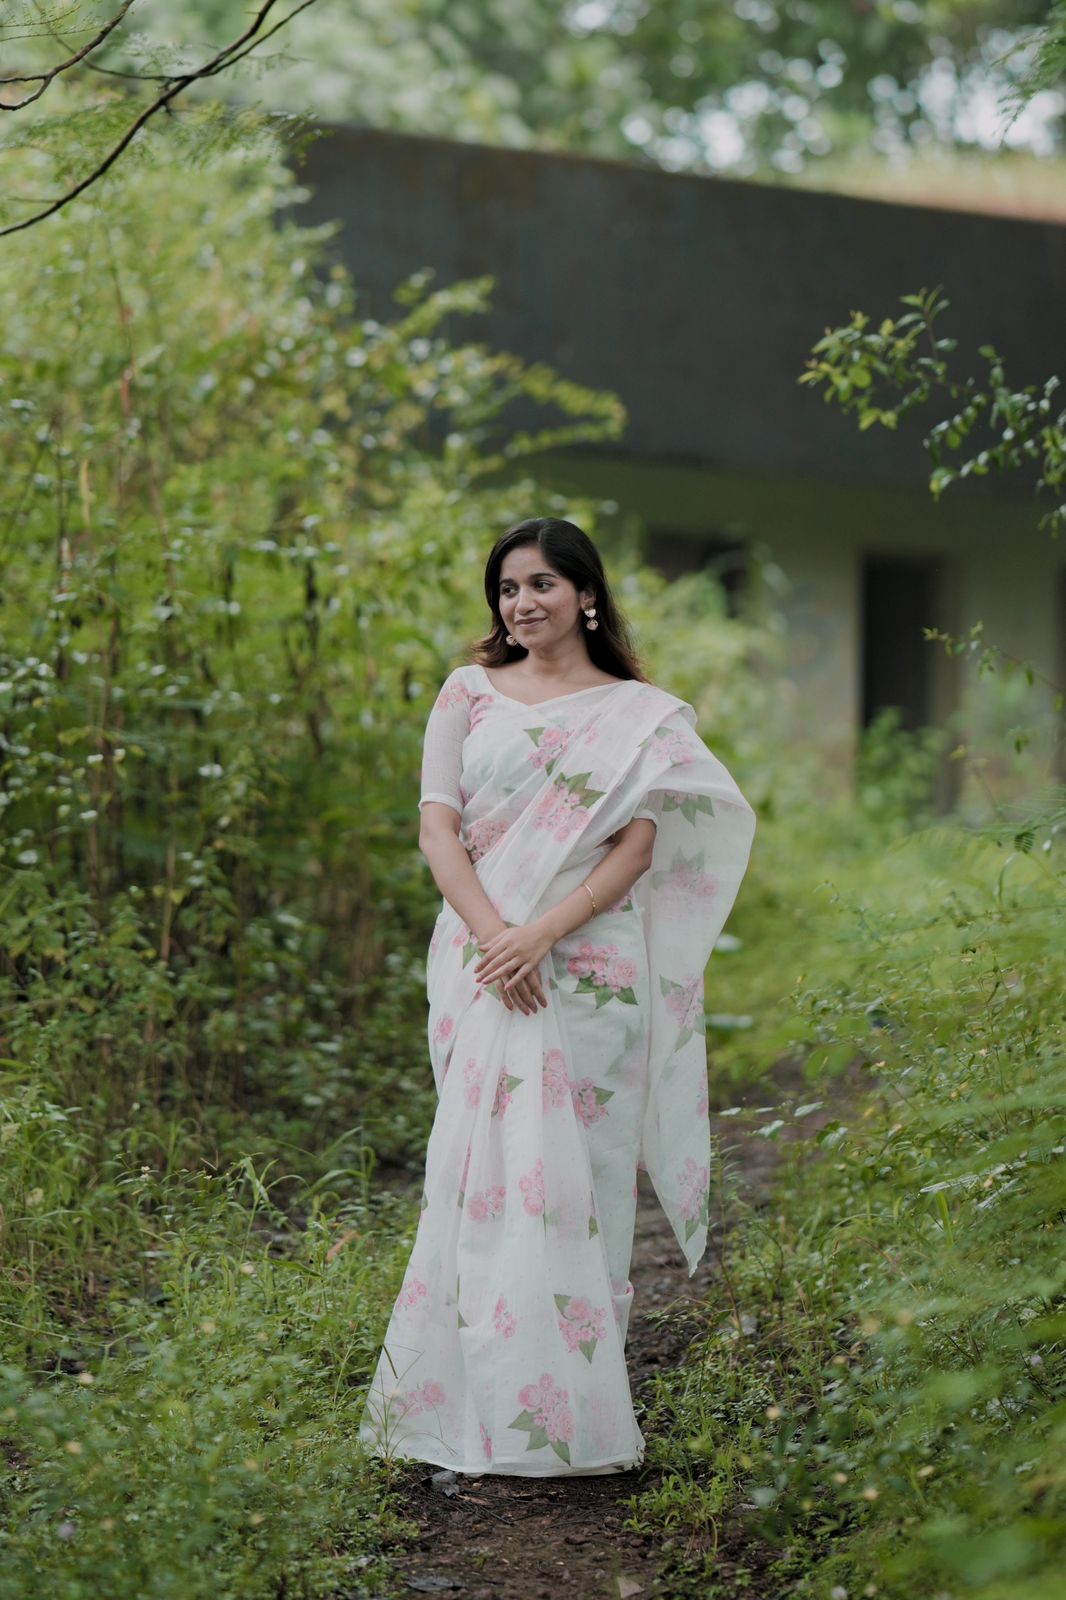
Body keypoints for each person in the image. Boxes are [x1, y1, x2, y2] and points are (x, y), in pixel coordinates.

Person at [359, 516, 756, 1476]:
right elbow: (438, 830)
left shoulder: (640, 714)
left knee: (581, 1178)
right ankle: (469, 1401)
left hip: (589, 970)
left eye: (541, 583)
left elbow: (640, 844)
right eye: (507, 588)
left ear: (585, 595)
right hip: (481, 961)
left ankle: (572, 1405)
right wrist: (499, 937)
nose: (522, 602)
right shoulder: (467, 694)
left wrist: (542, 933)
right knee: (484, 1174)